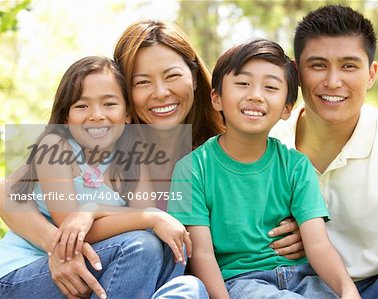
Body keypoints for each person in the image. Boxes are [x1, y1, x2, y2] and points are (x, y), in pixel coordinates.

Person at [0, 20, 303, 297]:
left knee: (187, 284)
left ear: (195, 77)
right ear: (125, 92)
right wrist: (59, 246)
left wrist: (303, 226)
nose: (161, 92)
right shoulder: (105, 147)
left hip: (213, 280)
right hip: (99, 269)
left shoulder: (228, 143)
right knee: (150, 246)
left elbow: (284, 190)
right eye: (142, 82)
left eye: (172, 76)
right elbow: (7, 193)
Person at [269, 5, 378, 298]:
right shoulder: (266, 144)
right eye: (317, 65)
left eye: (349, 66)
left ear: (371, 73)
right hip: (307, 289)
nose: (332, 81)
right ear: (296, 72)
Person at [168, 38, 361, 299]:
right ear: (217, 98)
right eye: (243, 84)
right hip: (242, 283)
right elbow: (202, 254)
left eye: (270, 87)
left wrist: (348, 291)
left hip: (304, 278)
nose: (255, 95)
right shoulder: (193, 169)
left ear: (286, 108)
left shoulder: (296, 166)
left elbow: (317, 243)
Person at [0, 56, 205, 299]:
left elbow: (146, 218)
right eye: (82, 106)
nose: (96, 115)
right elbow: (72, 228)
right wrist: (150, 216)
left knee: (181, 267)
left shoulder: (135, 162)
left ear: (127, 114)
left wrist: (94, 210)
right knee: (143, 245)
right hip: (22, 273)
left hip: (92, 264)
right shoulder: (56, 147)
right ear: (66, 117)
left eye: (109, 104)